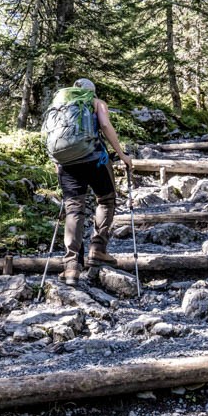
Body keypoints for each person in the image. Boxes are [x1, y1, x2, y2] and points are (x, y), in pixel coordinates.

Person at [52, 78, 132, 286]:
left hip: (67, 164)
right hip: (95, 160)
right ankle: (97, 249)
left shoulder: (61, 105)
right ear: (92, 92)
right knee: (106, 200)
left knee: (73, 209)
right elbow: (104, 124)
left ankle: (71, 267)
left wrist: (58, 163)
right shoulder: (97, 103)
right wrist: (122, 155)